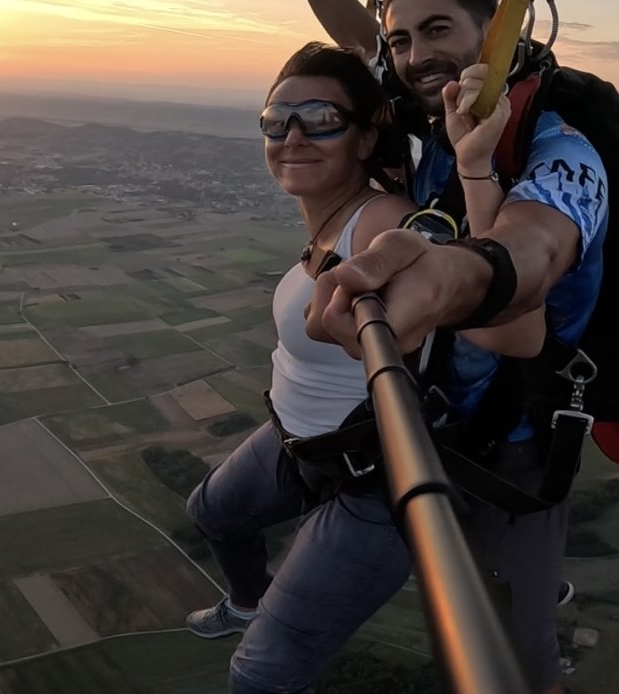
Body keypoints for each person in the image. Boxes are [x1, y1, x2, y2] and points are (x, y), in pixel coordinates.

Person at [231, 0, 611, 694]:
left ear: (497, 31)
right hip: (431, 413)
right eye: (403, 40)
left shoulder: (560, 152)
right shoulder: (431, 112)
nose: (413, 56)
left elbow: (529, 261)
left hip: (512, 441)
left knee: (515, 661)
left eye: (438, 32)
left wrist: (462, 246)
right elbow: (359, 42)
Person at [185, 41, 535, 692]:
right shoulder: (329, 220)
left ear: (366, 132)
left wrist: (471, 187)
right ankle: (248, 603)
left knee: (260, 678)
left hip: (375, 478)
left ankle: (257, 621)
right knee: (211, 512)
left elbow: (503, 326)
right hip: (298, 441)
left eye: (319, 118)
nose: (292, 135)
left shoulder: (383, 222)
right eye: (275, 119)